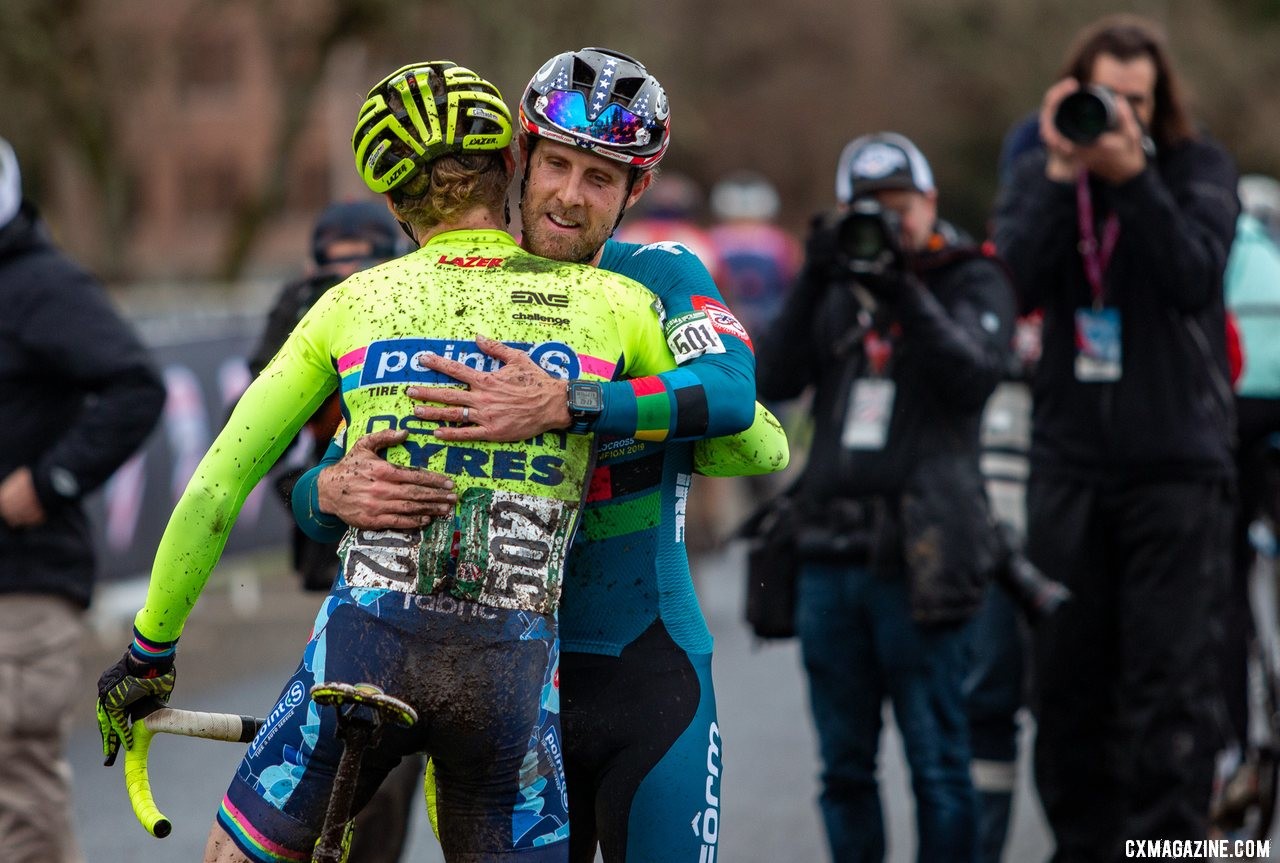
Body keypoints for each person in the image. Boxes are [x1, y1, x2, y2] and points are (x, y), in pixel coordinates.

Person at [94, 59, 683, 863]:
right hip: (512, 680)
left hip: (363, 651)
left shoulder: (353, 302)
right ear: (512, 166)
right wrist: (604, 413)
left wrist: (149, 653)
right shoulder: (615, 303)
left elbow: (219, 483)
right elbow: (754, 438)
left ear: (394, 202)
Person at [292, 47, 788, 863]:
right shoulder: (454, 286)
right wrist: (332, 490)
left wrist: (569, 402)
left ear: (638, 190)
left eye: (601, 178)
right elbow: (315, 496)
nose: (568, 195)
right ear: (520, 156)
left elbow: (733, 391)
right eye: (556, 164)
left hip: (644, 677)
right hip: (505, 702)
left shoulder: (656, 275)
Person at [992, 14, 1239, 860]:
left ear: (1159, 102)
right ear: (1072, 94)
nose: (1122, 115)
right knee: (1066, 682)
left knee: (1167, 685)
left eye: (1138, 99)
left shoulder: (1198, 168)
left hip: (1175, 466)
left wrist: (1135, 177)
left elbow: (1195, 273)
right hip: (1069, 464)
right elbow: (1009, 283)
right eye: (1107, 97)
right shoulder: (1043, 168)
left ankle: (1165, 849)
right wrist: (1063, 173)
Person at [756, 130, 1016, 862]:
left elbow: (973, 375)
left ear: (931, 202)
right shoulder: (838, 288)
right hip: (829, 555)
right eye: (868, 211)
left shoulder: (970, 277)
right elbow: (770, 380)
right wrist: (814, 275)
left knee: (938, 763)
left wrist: (904, 286)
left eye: (899, 207)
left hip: (924, 559)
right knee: (843, 770)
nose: (886, 225)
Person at [0, 136, 166, 863]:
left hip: (22, 586)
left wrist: (48, 480)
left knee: (16, 793)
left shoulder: (40, 285)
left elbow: (138, 385)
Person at [246, 198, 420, 863]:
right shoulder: (301, 306)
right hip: (332, 554)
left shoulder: (417, 302)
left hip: (416, 559)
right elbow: (259, 427)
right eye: (335, 261)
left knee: (397, 763)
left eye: (362, 259)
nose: (348, 274)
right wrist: (315, 481)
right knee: (346, 741)